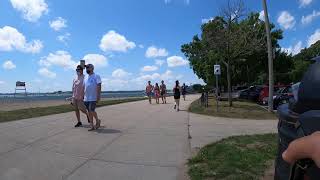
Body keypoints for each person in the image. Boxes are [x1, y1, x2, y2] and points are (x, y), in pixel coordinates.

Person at [84, 64, 102, 131]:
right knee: (89, 111)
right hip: (86, 97)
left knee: (91, 110)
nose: (87, 69)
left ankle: (97, 121)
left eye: (88, 68)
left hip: (93, 97)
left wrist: (98, 96)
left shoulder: (96, 76)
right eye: (86, 68)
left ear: (92, 68)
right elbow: (85, 87)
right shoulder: (85, 77)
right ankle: (91, 125)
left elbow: (99, 85)